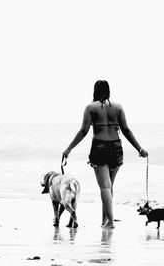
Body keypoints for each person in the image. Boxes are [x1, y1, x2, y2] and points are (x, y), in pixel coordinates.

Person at [63, 80, 148, 229]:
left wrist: (69, 149)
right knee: (109, 187)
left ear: (95, 91)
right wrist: (139, 149)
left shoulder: (90, 108)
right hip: (116, 147)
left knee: (105, 188)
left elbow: (83, 131)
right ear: (108, 90)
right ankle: (105, 220)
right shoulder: (118, 107)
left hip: (100, 148)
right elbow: (126, 130)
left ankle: (110, 222)